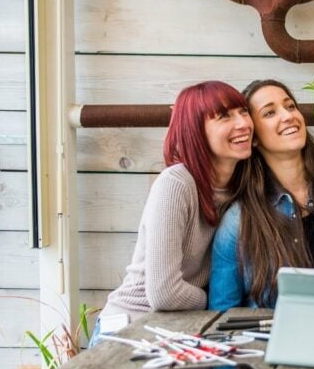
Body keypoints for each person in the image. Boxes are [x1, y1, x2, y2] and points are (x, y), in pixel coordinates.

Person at [91, 81, 253, 344]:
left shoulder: (240, 185)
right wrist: (212, 299)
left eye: (243, 112)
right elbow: (164, 292)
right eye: (225, 116)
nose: (243, 123)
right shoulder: (176, 183)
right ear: (195, 131)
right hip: (132, 324)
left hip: (176, 327)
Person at [208, 80, 314, 310]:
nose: (287, 116)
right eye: (270, 112)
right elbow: (221, 313)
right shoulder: (239, 221)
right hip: (270, 344)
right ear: (252, 137)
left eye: (290, 106)